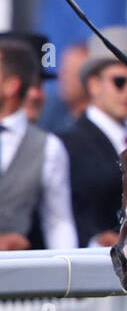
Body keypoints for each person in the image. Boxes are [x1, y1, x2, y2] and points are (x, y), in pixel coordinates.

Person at [60, 27, 127, 248]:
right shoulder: (66, 143)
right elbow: (59, 212)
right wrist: (94, 239)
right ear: (94, 85)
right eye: (120, 82)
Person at [0, 38, 76, 251]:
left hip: (15, 275)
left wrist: (65, 275)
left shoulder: (49, 147)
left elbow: (58, 223)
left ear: (11, 86)